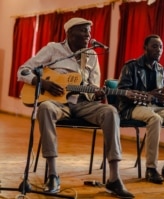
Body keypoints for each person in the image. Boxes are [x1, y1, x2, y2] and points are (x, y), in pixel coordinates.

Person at [17, 17, 134, 198]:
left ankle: (114, 178)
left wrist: (97, 93)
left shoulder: (92, 55)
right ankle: (53, 175)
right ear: (70, 33)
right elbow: (23, 70)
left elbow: (94, 85)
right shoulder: (53, 49)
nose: (88, 35)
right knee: (45, 108)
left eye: (89, 31)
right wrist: (42, 83)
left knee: (110, 111)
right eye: (83, 30)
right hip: (57, 104)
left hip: (83, 104)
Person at [117, 34, 164, 184]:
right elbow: (122, 93)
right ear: (145, 48)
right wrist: (146, 95)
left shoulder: (160, 70)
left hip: (156, 107)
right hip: (133, 107)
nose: (159, 50)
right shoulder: (131, 66)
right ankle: (151, 168)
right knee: (155, 119)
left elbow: (160, 98)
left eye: (161, 47)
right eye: (154, 46)